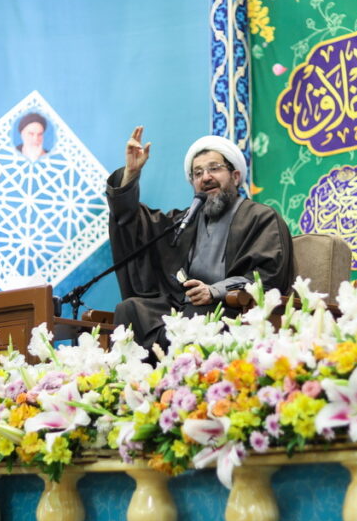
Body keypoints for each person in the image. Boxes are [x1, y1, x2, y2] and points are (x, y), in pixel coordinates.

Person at [107, 126, 294, 352]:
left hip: (231, 310)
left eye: (214, 168)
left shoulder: (260, 218)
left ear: (235, 176)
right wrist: (131, 173)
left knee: (195, 314)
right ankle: (135, 374)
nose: (206, 177)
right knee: (130, 309)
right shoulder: (185, 221)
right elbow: (131, 221)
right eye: (197, 173)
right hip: (184, 308)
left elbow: (268, 276)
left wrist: (214, 291)